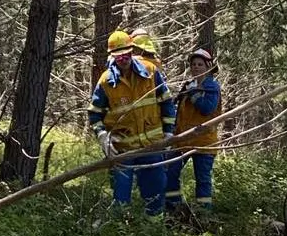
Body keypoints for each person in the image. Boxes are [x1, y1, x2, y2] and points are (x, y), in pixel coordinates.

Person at [88, 30, 176, 216]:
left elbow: (167, 102)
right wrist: (103, 137)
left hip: (152, 147)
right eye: (119, 56)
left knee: (155, 195)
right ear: (113, 56)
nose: (124, 59)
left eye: (127, 54)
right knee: (121, 199)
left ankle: (153, 234)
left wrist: (169, 133)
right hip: (122, 150)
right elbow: (95, 114)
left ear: (132, 50)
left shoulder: (151, 72)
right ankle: (121, 235)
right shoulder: (106, 82)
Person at [167, 48, 222, 210]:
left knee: (202, 179)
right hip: (182, 140)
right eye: (193, 64)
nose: (196, 67)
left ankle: (203, 215)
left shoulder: (212, 87)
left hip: (204, 143)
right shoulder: (189, 86)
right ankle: (173, 207)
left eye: (200, 64)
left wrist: (194, 94)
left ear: (208, 67)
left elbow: (207, 108)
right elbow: (179, 113)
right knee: (170, 172)